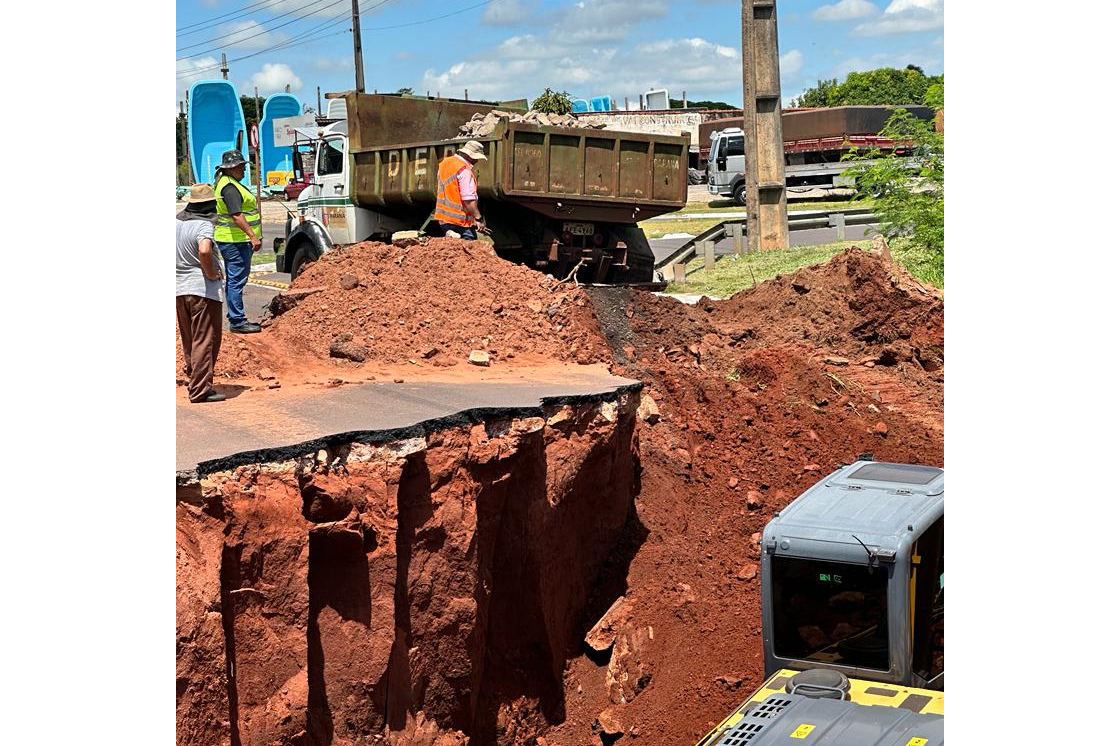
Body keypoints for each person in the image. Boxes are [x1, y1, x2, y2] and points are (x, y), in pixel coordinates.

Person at [176, 184, 226, 403]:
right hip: (202, 290)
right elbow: (205, 250)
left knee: (190, 338)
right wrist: (211, 272)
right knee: (205, 340)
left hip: (179, 289)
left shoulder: (175, 223)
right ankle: (199, 390)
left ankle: (193, 379)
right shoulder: (204, 225)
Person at [213, 149, 263, 333]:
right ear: (230, 168)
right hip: (235, 240)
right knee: (236, 280)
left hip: (233, 239)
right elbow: (237, 215)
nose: (243, 169)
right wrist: (252, 235)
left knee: (235, 279)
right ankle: (237, 320)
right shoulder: (229, 187)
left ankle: (235, 317)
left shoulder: (228, 182)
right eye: (240, 166)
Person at [435, 139, 487, 240]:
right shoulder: (463, 170)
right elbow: (468, 199)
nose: (477, 161)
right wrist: (479, 219)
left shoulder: (445, 164)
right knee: (470, 248)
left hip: (444, 220)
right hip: (459, 222)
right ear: (470, 155)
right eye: (476, 158)